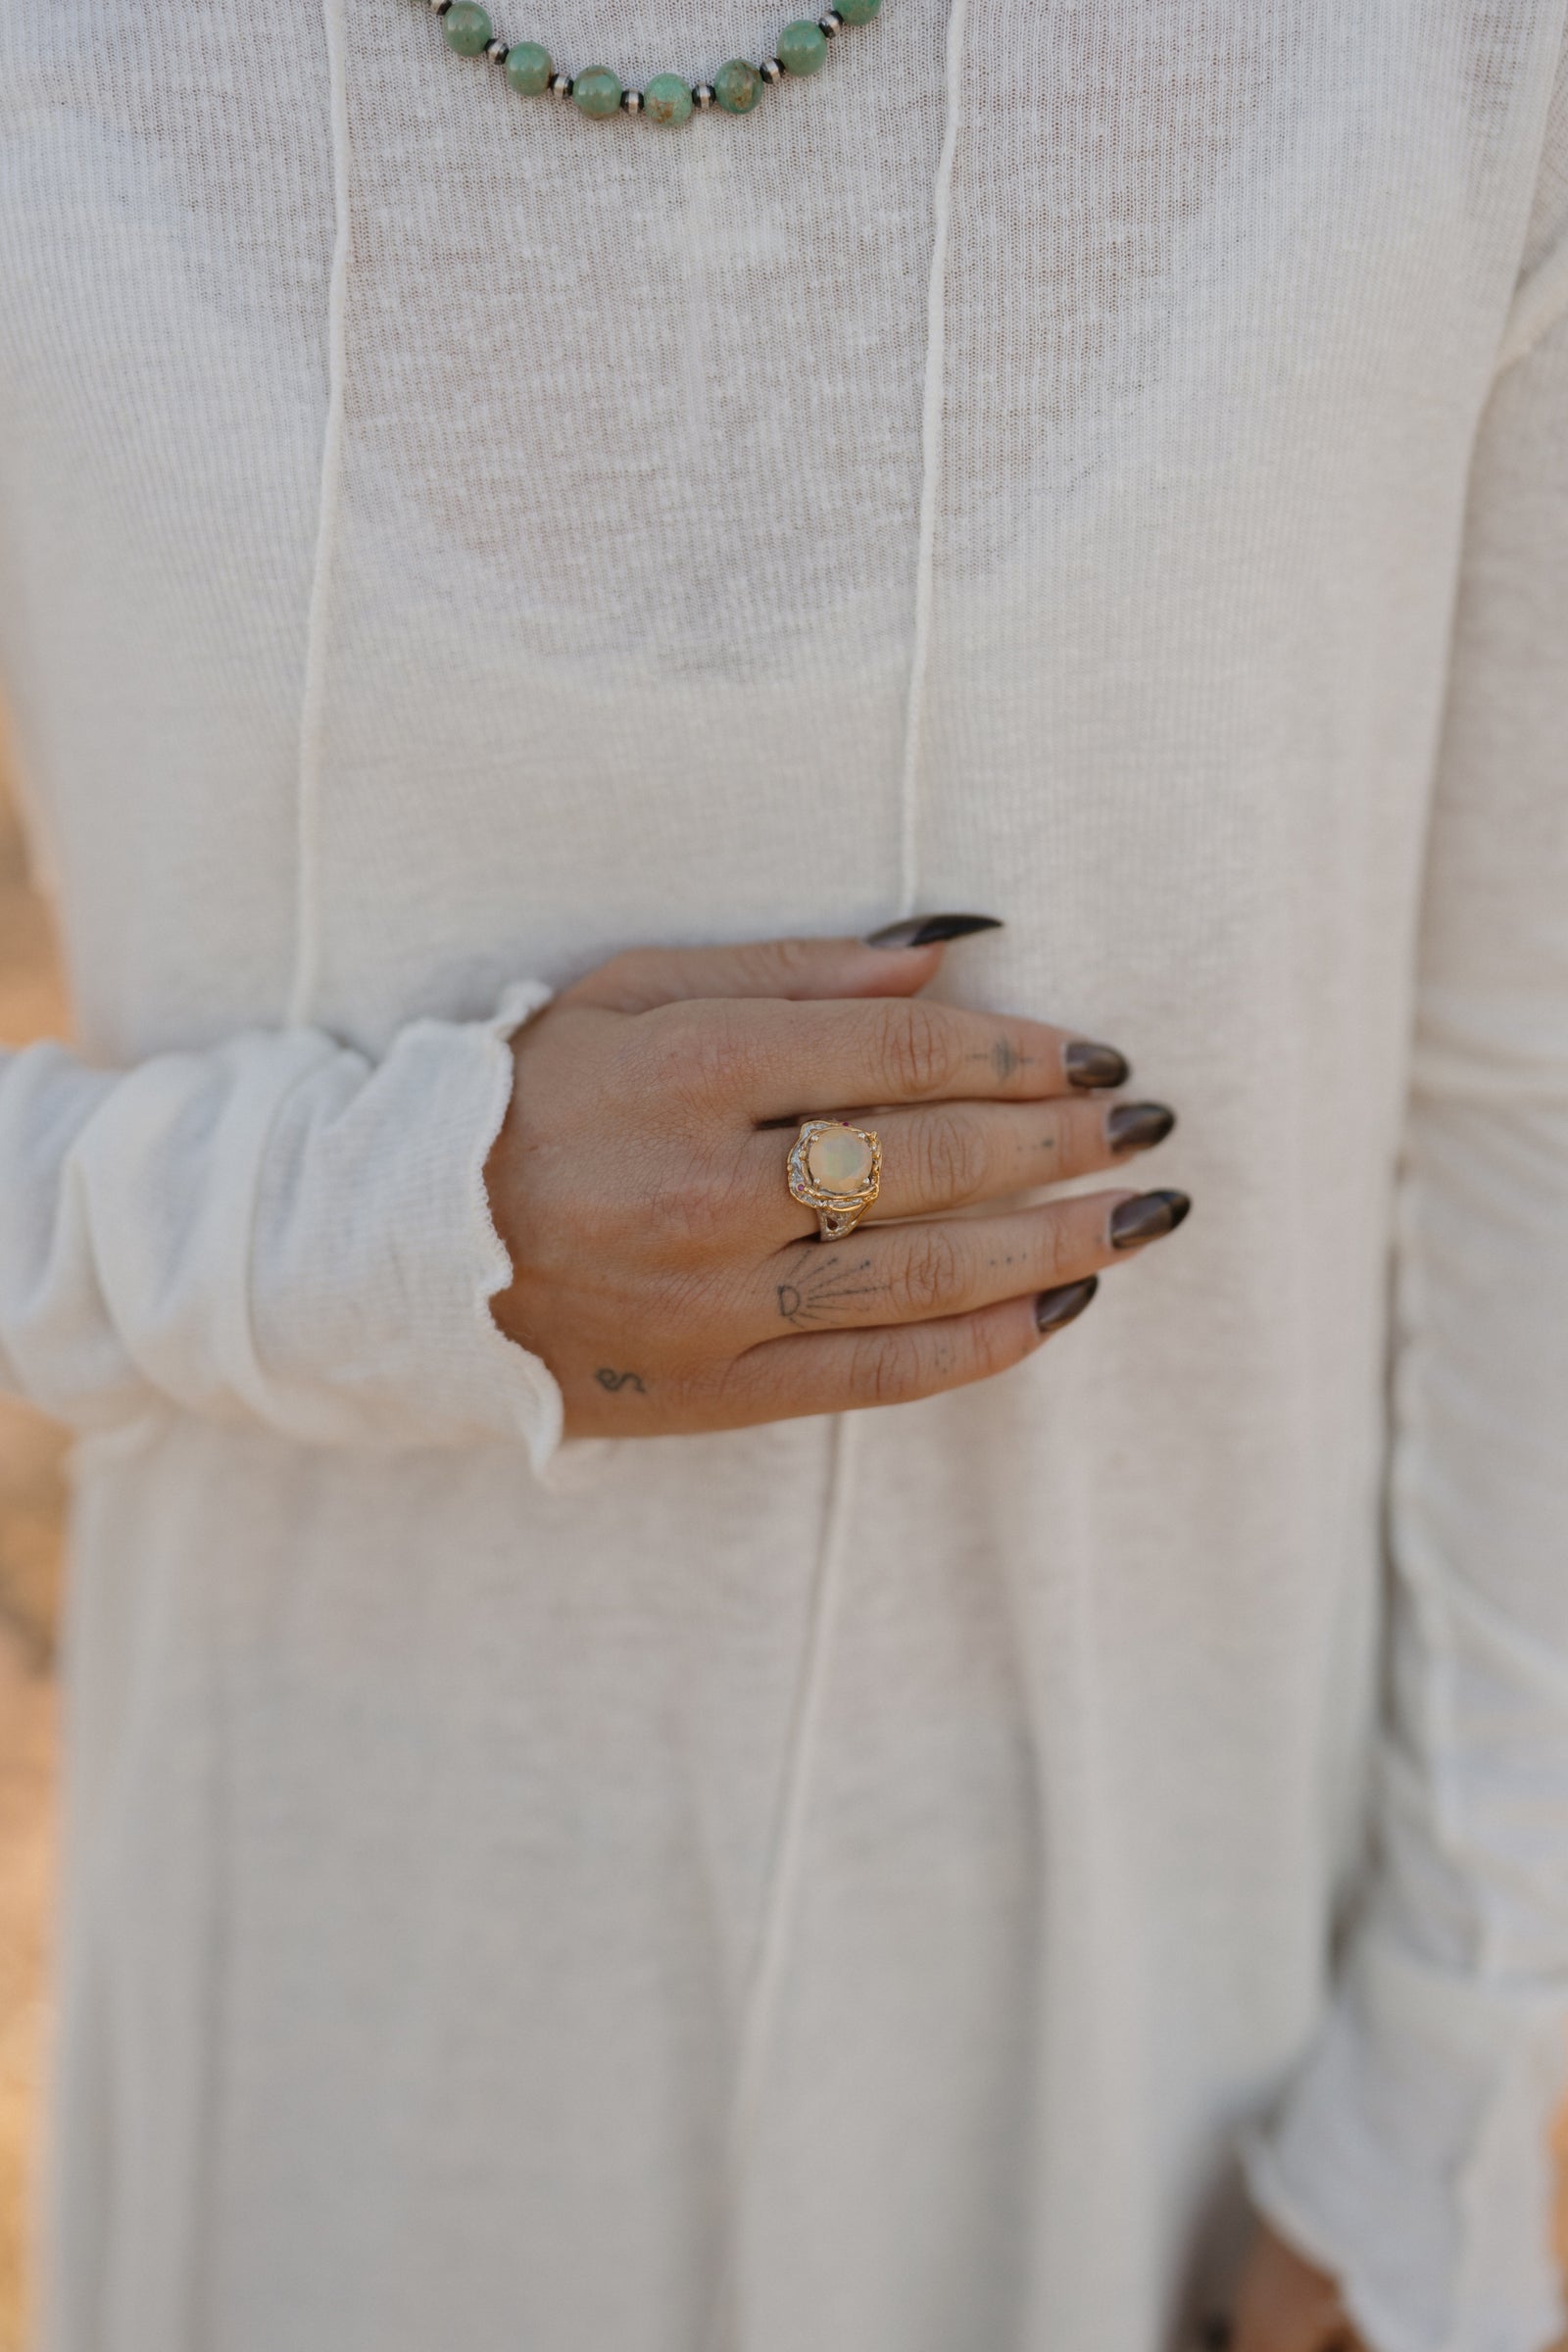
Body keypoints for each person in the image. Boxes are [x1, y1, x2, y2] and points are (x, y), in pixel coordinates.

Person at [1, 1, 1566, 2346]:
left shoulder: (1452, 57)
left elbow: (1521, 1098)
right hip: (337, 2032)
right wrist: (376, 1227)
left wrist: (1434, 2070)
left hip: (1172, 2080)